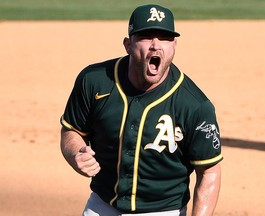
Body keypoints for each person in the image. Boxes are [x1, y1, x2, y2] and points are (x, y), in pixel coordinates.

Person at [60, 4, 223, 216]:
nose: (156, 45)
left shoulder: (194, 105)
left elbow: (209, 171)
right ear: (128, 44)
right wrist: (75, 153)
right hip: (101, 206)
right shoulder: (94, 81)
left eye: (164, 38)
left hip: (164, 211)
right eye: (146, 36)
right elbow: (72, 130)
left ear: (174, 45)